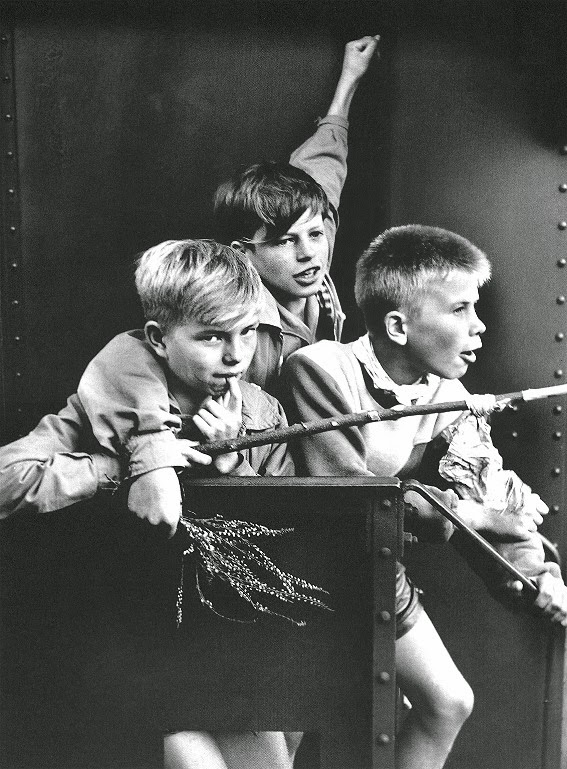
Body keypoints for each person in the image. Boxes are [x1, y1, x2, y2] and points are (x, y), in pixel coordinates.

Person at [0, 239, 310, 769]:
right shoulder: (100, 405)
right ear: (157, 339)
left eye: (247, 332)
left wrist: (234, 466)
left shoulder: (263, 411)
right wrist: (127, 467)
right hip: (135, 647)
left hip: (233, 645)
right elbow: (7, 480)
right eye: (212, 337)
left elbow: (289, 536)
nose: (236, 356)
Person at [280, 224, 567, 769]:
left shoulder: (449, 396)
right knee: (290, 728)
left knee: (447, 703)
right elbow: (352, 497)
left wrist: (539, 579)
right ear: (397, 326)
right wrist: (473, 514)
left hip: (373, 569)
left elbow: (491, 495)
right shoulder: (320, 369)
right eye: (460, 310)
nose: (479, 326)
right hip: (300, 574)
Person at [70, 34, 380, 537]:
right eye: (285, 241)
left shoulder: (310, 233)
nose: (310, 254)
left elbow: (325, 166)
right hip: (255, 463)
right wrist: (155, 459)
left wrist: (348, 81)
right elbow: (134, 355)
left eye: (316, 234)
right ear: (244, 252)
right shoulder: (232, 317)